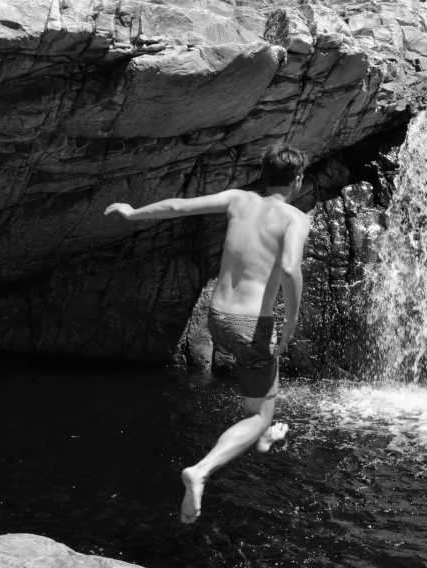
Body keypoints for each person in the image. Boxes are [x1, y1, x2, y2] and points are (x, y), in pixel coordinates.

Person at [103, 144, 310, 524]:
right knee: (259, 414)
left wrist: (132, 213)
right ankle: (202, 470)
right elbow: (290, 268)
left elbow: (178, 206)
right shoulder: (295, 218)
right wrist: (292, 322)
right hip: (252, 325)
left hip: (218, 318)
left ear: (264, 175)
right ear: (298, 179)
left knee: (262, 406)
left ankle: (264, 437)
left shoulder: (238, 199)